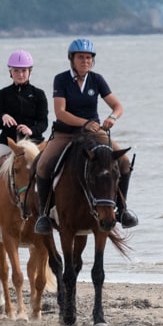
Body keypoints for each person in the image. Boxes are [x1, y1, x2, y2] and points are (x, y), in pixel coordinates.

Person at [33, 37, 138, 234]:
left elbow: (118, 106)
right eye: (81, 57)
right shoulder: (61, 79)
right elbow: (60, 112)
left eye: (89, 57)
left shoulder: (97, 79)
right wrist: (85, 123)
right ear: (72, 59)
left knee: (123, 161)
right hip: (66, 133)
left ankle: (122, 210)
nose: (85, 61)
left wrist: (112, 118)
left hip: (94, 134)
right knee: (43, 165)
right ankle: (44, 215)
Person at [0, 48, 49, 233]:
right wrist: (3, 116)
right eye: (16, 71)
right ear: (10, 72)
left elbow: (43, 122)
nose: (20, 74)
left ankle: (49, 213)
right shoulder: (3, 94)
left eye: (24, 71)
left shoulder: (39, 94)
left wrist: (31, 130)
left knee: (50, 170)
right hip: (8, 142)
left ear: (30, 72)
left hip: (34, 143)